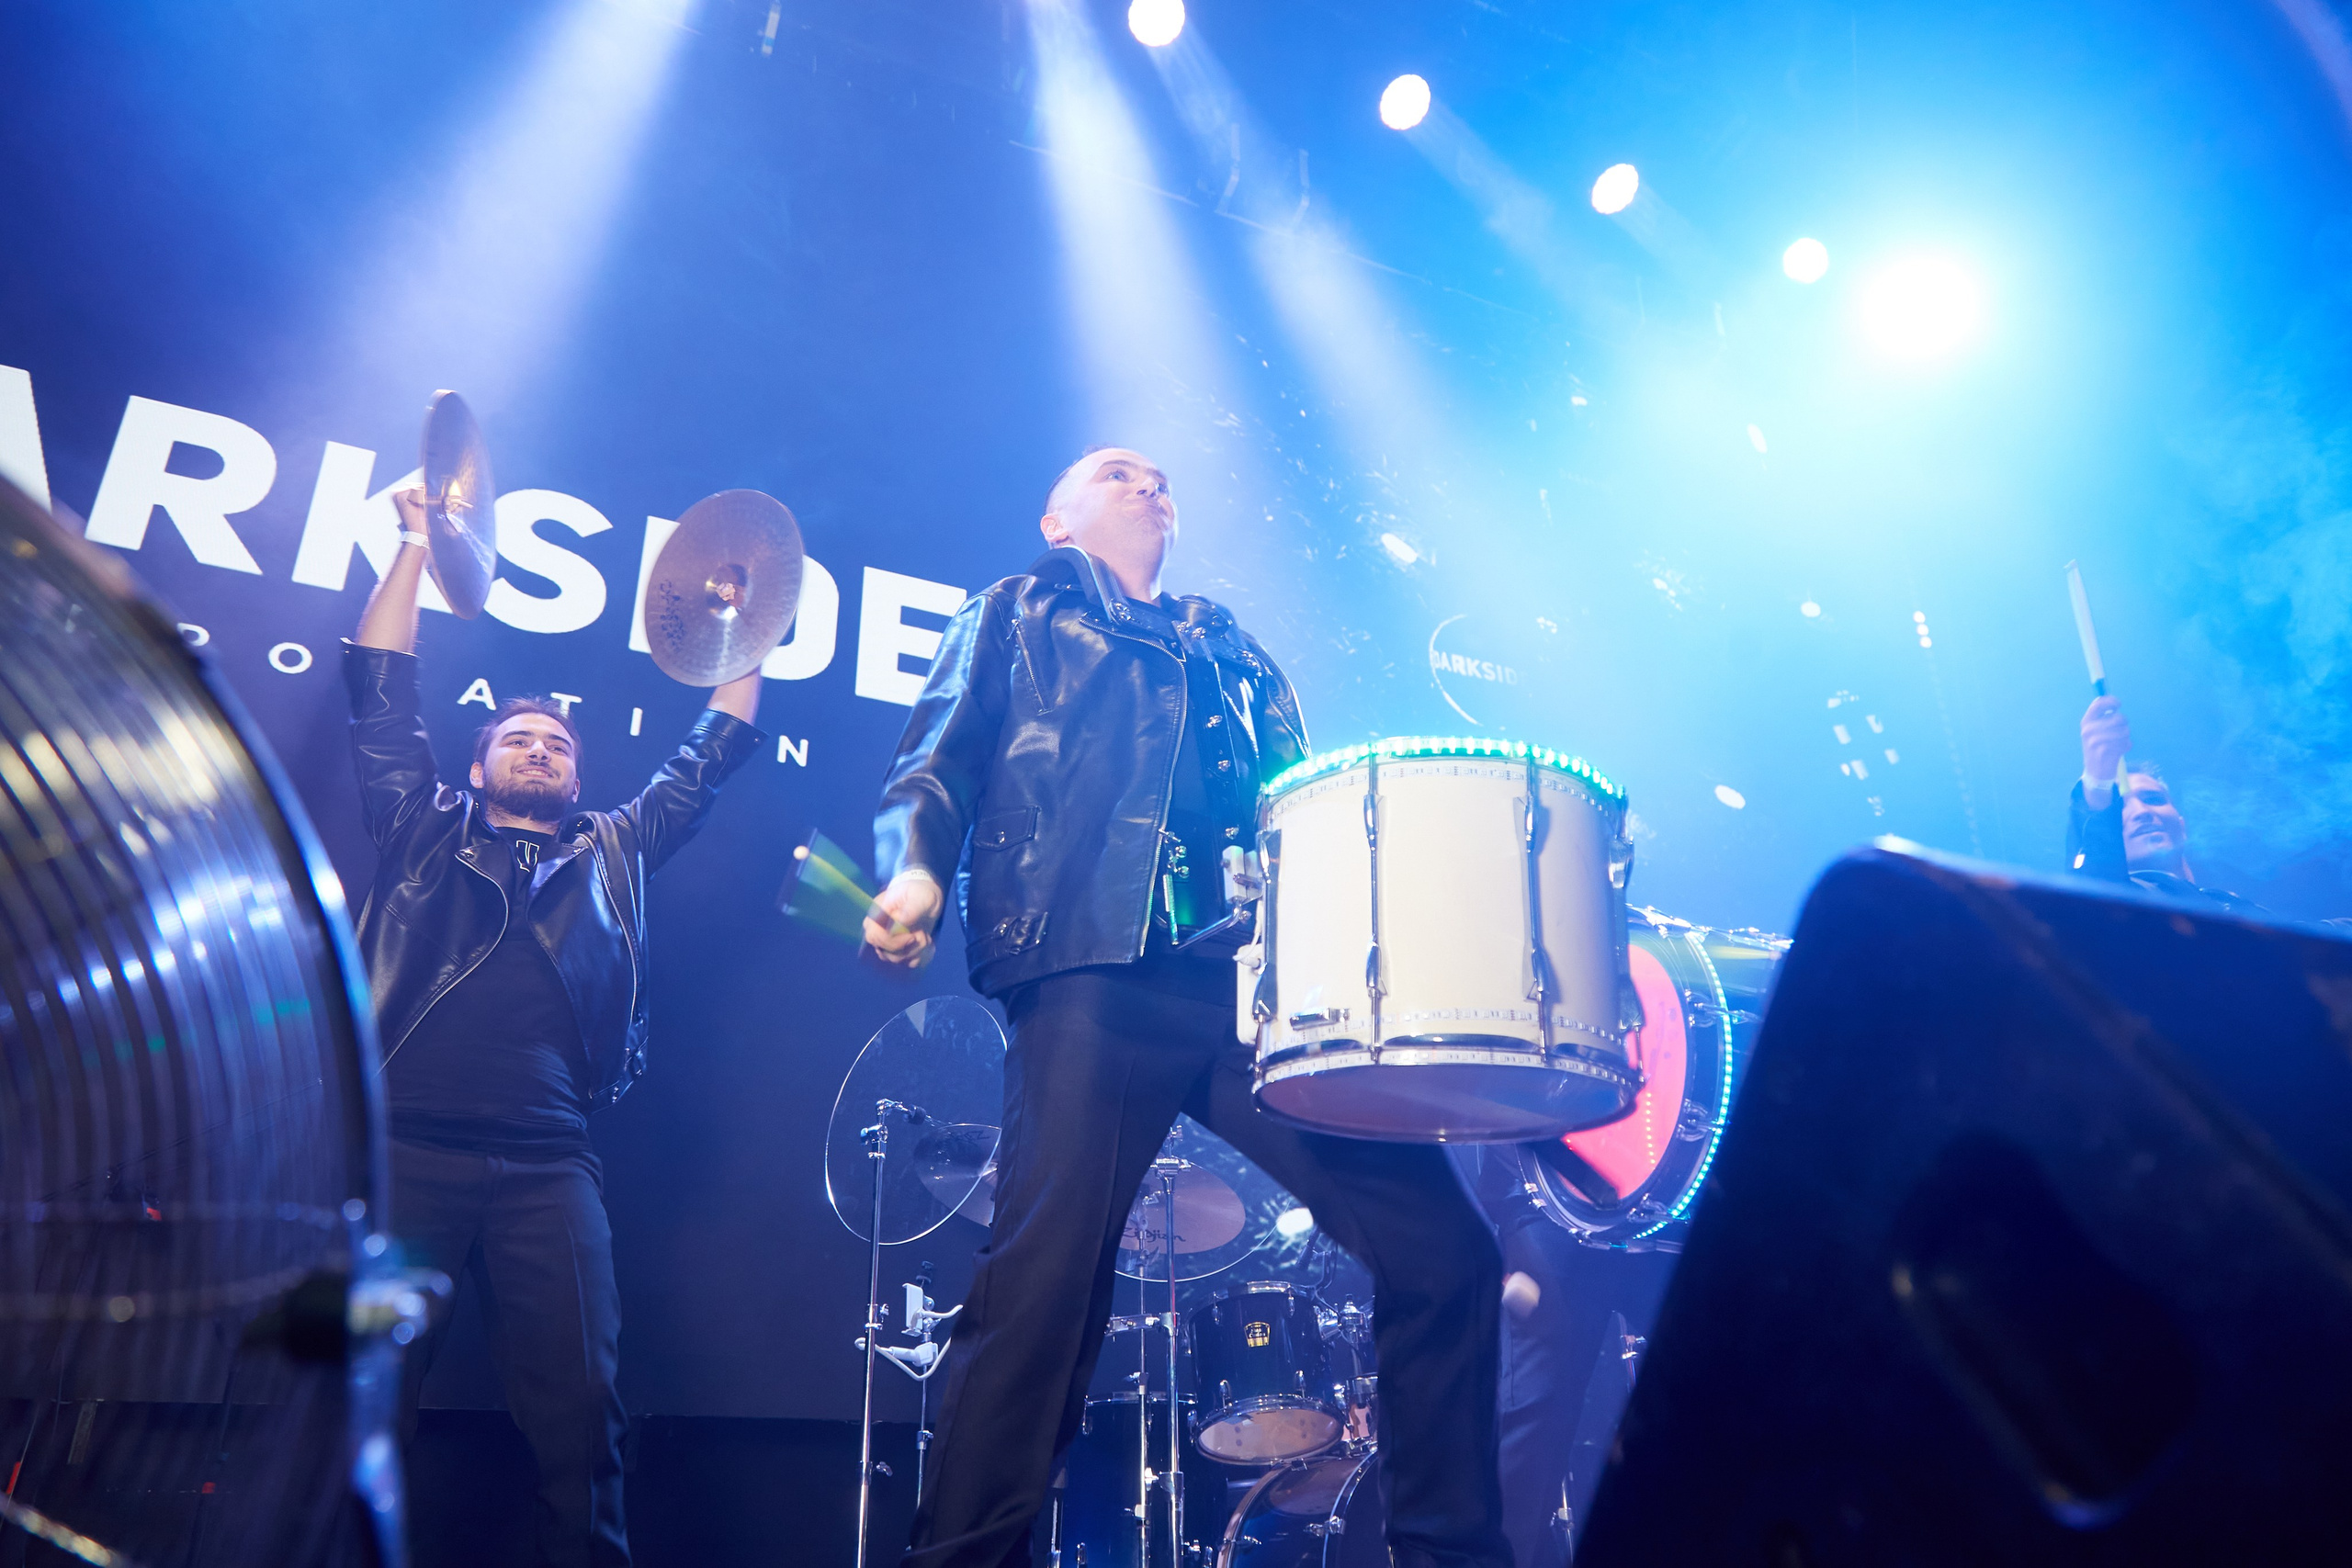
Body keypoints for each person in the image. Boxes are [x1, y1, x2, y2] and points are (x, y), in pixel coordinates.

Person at [865, 446, 1513, 1568]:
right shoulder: (1015, 611)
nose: (1148, 479)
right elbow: (932, 764)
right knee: (1043, 1291)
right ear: (1056, 518)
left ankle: (1453, 1552)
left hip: (1261, 993)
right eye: (1116, 471)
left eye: (1160, 472)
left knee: (1445, 1250)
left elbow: (1307, 816)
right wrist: (914, 868)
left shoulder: (1238, 652)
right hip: (1092, 962)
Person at [345, 485, 766, 1568]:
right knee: (358, 1417)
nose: (540, 750)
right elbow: (381, 692)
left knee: (581, 1425)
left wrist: (749, 621)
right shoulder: (420, 829)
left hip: (547, 1169)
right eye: (517, 740)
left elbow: (710, 750)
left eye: (556, 746)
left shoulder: (613, 852)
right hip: (402, 1157)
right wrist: (407, 542)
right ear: (477, 769)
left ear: (576, 778)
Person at [2067, 695, 2259, 912]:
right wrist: (2097, 784)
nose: (2142, 811)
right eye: (2119, 806)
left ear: (2182, 826)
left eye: (2154, 799)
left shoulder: (2238, 908)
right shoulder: (2111, 906)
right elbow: (2095, 886)